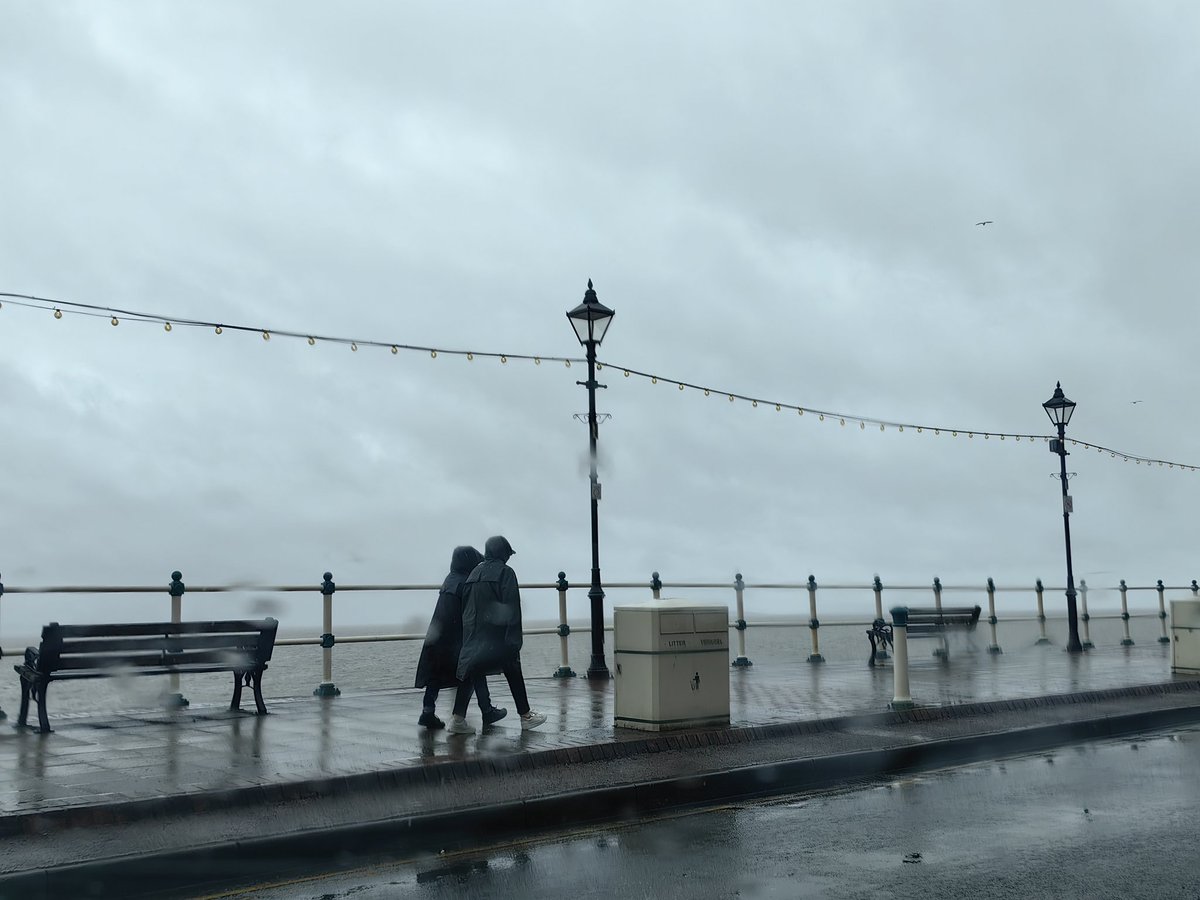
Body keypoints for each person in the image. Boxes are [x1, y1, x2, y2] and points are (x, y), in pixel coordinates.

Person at [451, 535, 546, 734]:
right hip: (497, 635)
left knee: (470, 672)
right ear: (503, 552)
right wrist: (513, 640)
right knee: (513, 670)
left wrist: (468, 636)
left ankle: (457, 720)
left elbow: (466, 608)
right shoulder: (505, 573)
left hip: (473, 636)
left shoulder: (474, 573)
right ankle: (526, 716)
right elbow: (511, 607)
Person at [414, 545, 507, 730]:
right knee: (474, 668)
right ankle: (484, 712)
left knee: (435, 677)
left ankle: (428, 712)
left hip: (438, 638)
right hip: (457, 639)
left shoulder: (450, 580)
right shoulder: (467, 583)